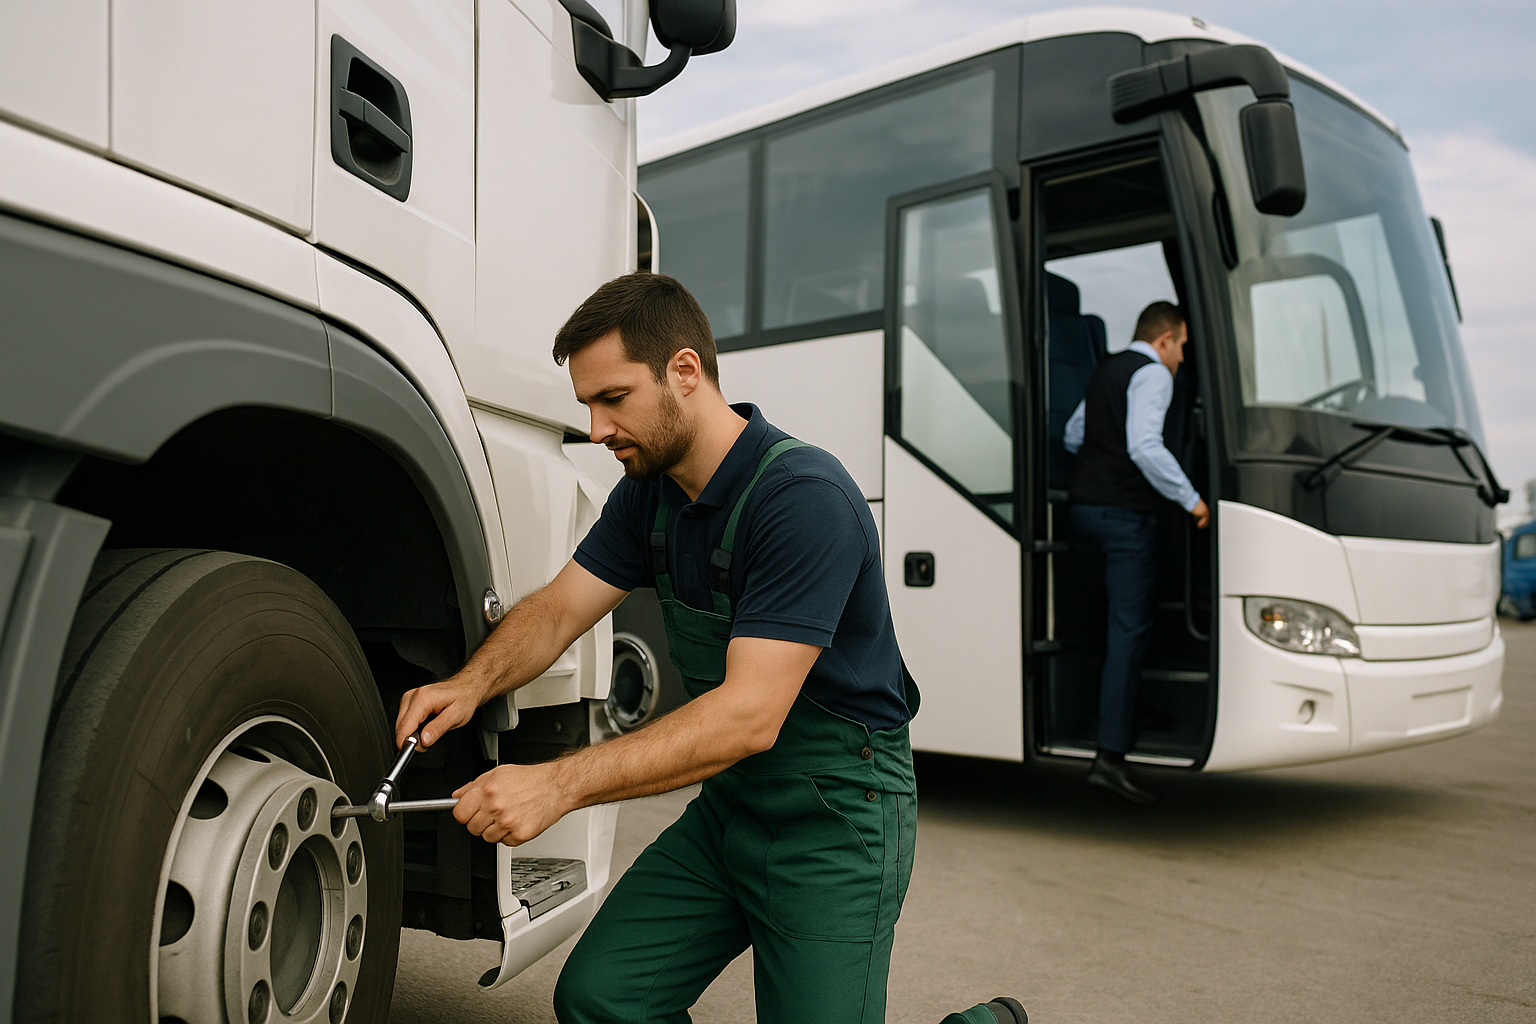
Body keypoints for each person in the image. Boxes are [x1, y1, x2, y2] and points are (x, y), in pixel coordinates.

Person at [396, 273, 1026, 1024]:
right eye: (587, 406)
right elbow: (561, 608)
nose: (597, 430)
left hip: (836, 821)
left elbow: (747, 718)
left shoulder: (803, 499)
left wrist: (554, 786)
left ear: (685, 372)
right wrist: (468, 684)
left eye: (614, 399)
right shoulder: (649, 495)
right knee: (604, 1001)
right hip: (732, 808)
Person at [1063, 301, 1209, 805]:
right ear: (1165, 340)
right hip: (1125, 517)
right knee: (1129, 629)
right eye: (1183, 347)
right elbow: (1146, 445)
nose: (1182, 359)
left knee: (1106, 623)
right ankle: (1110, 756)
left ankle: (1117, 716)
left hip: (1084, 511)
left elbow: (1073, 434)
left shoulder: (1106, 370)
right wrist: (1192, 500)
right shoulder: (1154, 375)